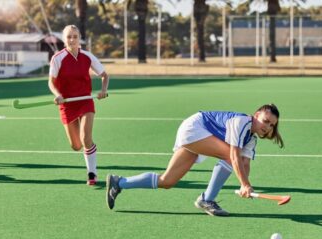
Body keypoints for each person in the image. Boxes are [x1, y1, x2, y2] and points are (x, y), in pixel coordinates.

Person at [106, 104, 284, 216]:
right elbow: (235, 157)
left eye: (271, 125)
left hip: (199, 136)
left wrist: (246, 184)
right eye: (265, 121)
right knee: (230, 156)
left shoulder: (251, 139)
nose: (267, 127)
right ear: (256, 114)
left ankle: (119, 182)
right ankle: (207, 199)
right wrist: (244, 184)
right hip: (195, 128)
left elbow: (245, 164)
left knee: (167, 181)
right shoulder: (242, 122)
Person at [48, 25, 109, 186]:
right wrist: (58, 95)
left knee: (85, 138)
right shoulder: (57, 58)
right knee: (76, 145)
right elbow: (51, 82)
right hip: (67, 104)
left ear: (79, 37)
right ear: (64, 39)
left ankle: (92, 173)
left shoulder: (88, 56)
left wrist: (103, 90)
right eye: (69, 37)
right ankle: (89, 148)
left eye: (75, 36)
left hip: (85, 101)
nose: (72, 39)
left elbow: (104, 75)